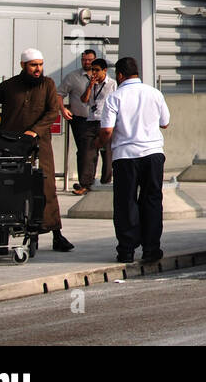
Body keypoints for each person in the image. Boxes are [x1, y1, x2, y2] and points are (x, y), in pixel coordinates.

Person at [0, 49, 74, 252]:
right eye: (33, 65)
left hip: (40, 143)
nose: (38, 69)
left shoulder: (47, 84)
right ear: (23, 65)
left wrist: (34, 131)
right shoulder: (9, 86)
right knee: (13, 187)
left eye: (40, 65)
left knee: (46, 186)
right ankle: (10, 232)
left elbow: (52, 112)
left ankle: (56, 234)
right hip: (12, 146)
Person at [96, 57, 170, 264]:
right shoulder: (155, 93)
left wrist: (97, 144)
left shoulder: (115, 97)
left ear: (119, 75)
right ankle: (151, 249)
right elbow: (165, 123)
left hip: (126, 156)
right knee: (152, 200)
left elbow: (107, 130)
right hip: (153, 154)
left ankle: (126, 251)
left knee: (126, 202)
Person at [73, 58, 116, 194]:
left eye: (97, 70)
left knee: (107, 152)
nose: (94, 73)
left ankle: (105, 182)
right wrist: (90, 86)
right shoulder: (91, 83)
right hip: (91, 120)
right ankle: (86, 184)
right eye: (93, 70)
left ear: (104, 70)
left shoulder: (111, 84)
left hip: (105, 122)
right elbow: (84, 100)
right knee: (87, 152)